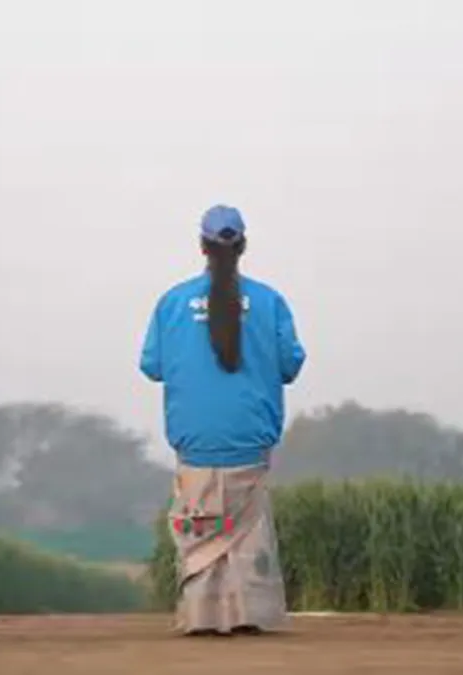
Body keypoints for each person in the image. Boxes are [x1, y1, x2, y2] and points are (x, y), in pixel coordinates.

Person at [139, 204, 306, 636]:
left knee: (202, 530)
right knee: (245, 536)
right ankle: (249, 615)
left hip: (194, 444)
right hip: (250, 444)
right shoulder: (270, 302)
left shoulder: (172, 302)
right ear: (243, 247)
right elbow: (290, 365)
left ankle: (202, 617)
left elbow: (152, 365)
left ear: (202, 247)